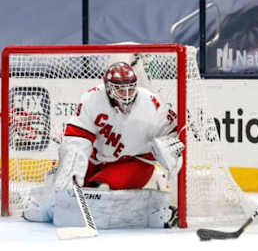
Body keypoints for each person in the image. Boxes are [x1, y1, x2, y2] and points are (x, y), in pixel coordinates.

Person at [23, 61, 184, 229]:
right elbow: (78, 137)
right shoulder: (92, 98)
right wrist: (71, 163)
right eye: (121, 89)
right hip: (99, 157)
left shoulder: (151, 103)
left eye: (131, 88)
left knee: (98, 190)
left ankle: (158, 210)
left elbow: (173, 135)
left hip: (136, 162)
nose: (127, 94)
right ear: (108, 88)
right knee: (65, 186)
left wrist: (170, 155)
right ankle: (41, 205)